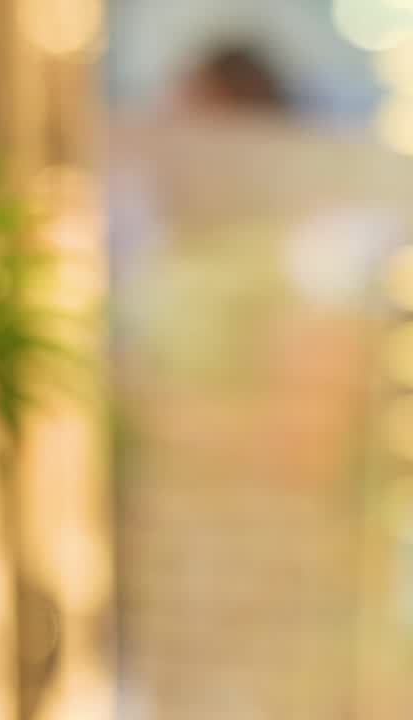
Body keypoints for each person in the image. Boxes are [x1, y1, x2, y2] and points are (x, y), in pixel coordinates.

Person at [111, 42, 413, 719]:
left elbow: (307, 440)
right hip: (187, 606)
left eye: (189, 129)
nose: (164, 153)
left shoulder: (310, 258)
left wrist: (136, 411)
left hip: (290, 617)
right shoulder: (173, 261)